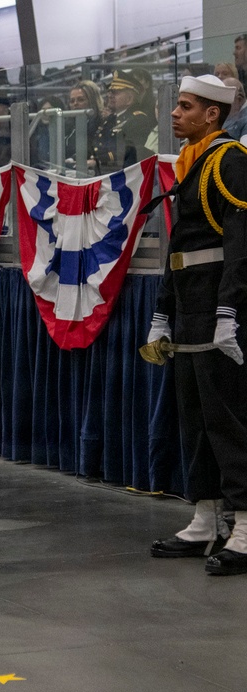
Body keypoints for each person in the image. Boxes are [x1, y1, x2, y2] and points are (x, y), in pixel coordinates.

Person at [141, 74, 247, 576]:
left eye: (186, 107)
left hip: (217, 307)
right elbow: (180, 249)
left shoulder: (229, 161)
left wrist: (230, 309)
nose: (175, 113)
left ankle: (245, 523)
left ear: (213, 114)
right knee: (196, 417)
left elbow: (240, 245)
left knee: (228, 419)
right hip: (189, 304)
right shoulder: (191, 163)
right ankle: (206, 515)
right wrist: (164, 313)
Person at [92, 70, 155, 174]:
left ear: (129, 99)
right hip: (103, 172)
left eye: (115, 92)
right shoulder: (110, 119)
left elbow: (129, 153)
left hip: (123, 175)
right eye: (110, 91)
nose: (110, 95)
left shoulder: (138, 119)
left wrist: (97, 160)